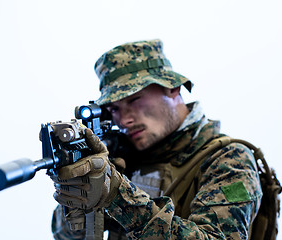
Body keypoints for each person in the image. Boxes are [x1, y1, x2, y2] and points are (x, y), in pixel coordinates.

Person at [50, 39, 263, 239]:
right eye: (114, 109)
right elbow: (63, 234)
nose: (124, 120)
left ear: (172, 88)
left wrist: (117, 194)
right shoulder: (124, 157)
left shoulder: (230, 161)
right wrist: (79, 194)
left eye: (134, 100)